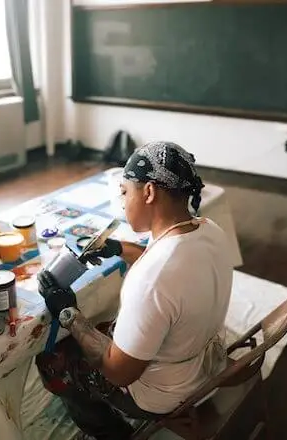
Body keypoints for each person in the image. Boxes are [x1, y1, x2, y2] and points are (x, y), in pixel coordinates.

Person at [35, 141, 234, 440]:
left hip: (165, 392)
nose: (123, 201)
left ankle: (116, 433)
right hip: (206, 364)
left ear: (150, 192)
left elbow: (119, 373)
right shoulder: (208, 229)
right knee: (108, 330)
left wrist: (69, 314)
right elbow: (165, 261)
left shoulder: (152, 279)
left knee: (56, 361)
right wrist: (117, 248)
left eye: (125, 192)